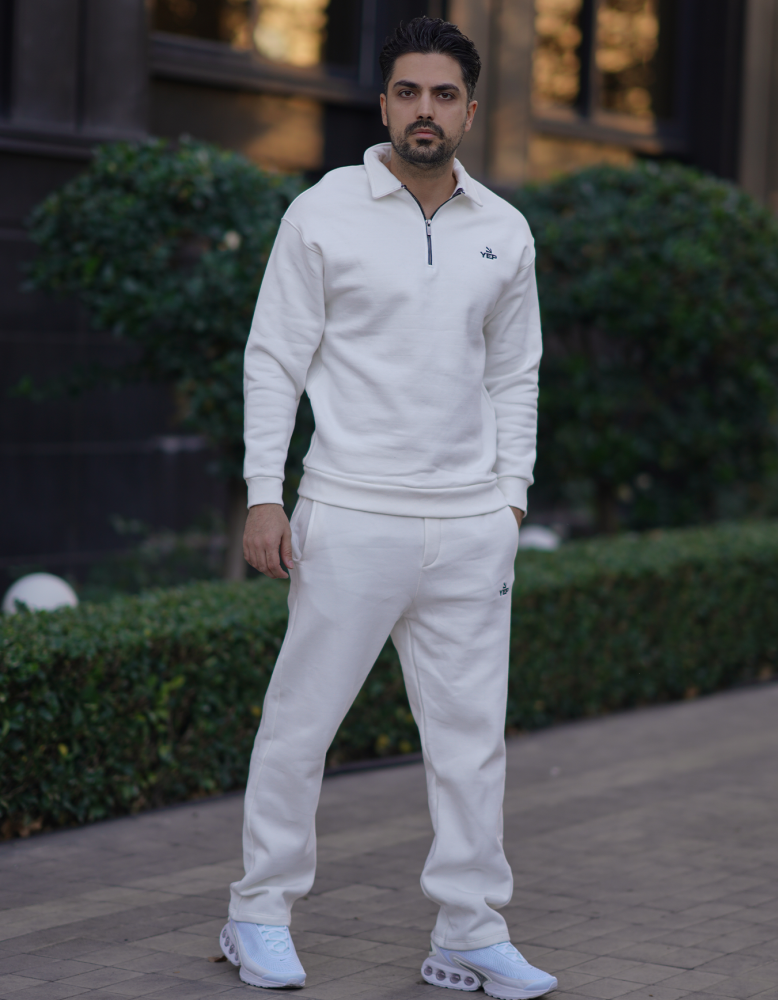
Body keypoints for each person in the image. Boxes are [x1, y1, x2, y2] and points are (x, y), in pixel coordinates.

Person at [219, 16, 557, 999]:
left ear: (469, 110)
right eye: (408, 92)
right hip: (350, 512)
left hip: (469, 526)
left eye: (443, 95)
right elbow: (273, 360)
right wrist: (263, 494)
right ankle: (258, 913)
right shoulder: (321, 212)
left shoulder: (504, 229)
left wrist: (508, 499)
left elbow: (516, 374)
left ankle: (470, 931)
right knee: (300, 726)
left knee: (471, 744)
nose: (424, 110)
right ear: (382, 104)